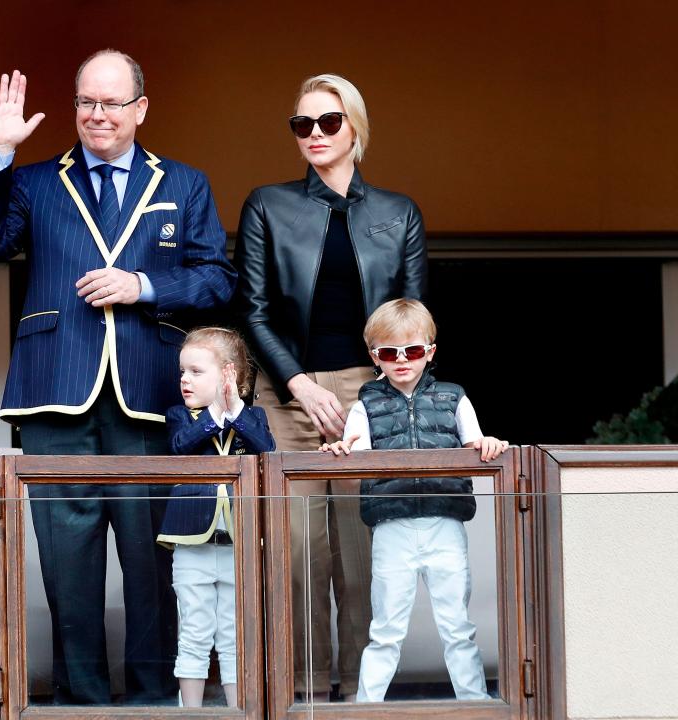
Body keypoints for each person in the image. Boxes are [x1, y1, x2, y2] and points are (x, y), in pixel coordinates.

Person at [0, 50, 237, 705]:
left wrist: (141, 285)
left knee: (153, 566)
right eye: (87, 101)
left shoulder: (185, 184)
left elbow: (217, 279)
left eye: (112, 103)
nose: (97, 115)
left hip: (148, 401)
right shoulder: (33, 182)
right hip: (55, 395)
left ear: (140, 108)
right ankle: (80, 703)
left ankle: (152, 701)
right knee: (67, 567)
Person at [232, 73, 427, 700]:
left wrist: (386, 395)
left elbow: (413, 318)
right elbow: (253, 310)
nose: (314, 134)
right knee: (296, 553)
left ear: (355, 128)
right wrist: (298, 385)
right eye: (302, 124)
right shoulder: (267, 203)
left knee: (364, 547)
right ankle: (306, 691)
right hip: (287, 394)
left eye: (328, 122)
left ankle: (363, 695)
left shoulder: (398, 213)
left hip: (372, 395)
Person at [320, 298, 508, 702]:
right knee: (385, 629)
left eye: (413, 350)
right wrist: (342, 449)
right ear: (375, 357)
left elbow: (476, 443)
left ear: (430, 351)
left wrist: (488, 443)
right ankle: (367, 708)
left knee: (457, 625)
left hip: (444, 522)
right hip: (392, 526)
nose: (401, 360)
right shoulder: (365, 404)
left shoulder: (454, 397)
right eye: (389, 352)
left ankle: (474, 705)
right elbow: (354, 450)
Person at [157, 327, 275, 707]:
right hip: (193, 544)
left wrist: (234, 410)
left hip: (240, 543)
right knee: (193, 631)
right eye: (182, 372)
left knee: (234, 634)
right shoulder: (180, 416)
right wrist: (214, 413)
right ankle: (189, 712)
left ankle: (237, 712)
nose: (184, 380)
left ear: (229, 374)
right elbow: (180, 447)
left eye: (195, 371)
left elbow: (267, 450)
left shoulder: (252, 417)